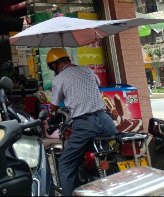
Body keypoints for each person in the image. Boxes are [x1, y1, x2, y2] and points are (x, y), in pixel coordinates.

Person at [47, 48, 116, 196]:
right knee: (112, 155)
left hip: (85, 124)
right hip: (106, 120)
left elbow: (54, 106)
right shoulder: (86, 69)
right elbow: (97, 83)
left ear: (54, 65)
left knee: (66, 164)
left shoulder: (59, 78)